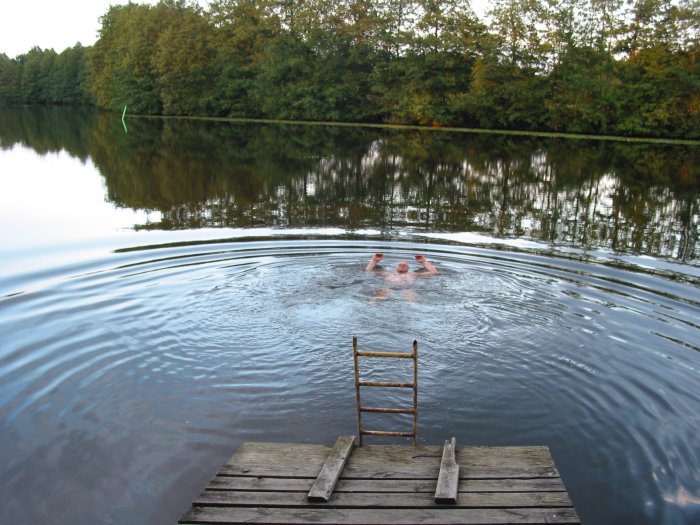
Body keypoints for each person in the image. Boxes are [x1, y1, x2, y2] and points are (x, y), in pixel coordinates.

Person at [365, 253, 438, 275]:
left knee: (411, 298)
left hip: (407, 289)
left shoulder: (412, 274)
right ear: (395, 267)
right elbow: (368, 271)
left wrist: (424, 262)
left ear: (408, 268)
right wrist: (374, 261)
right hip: (389, 287)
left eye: (405, 265)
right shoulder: (389, 273)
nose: (402, 265)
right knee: (378, 297)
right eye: (400, 265)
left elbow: (434, 272)